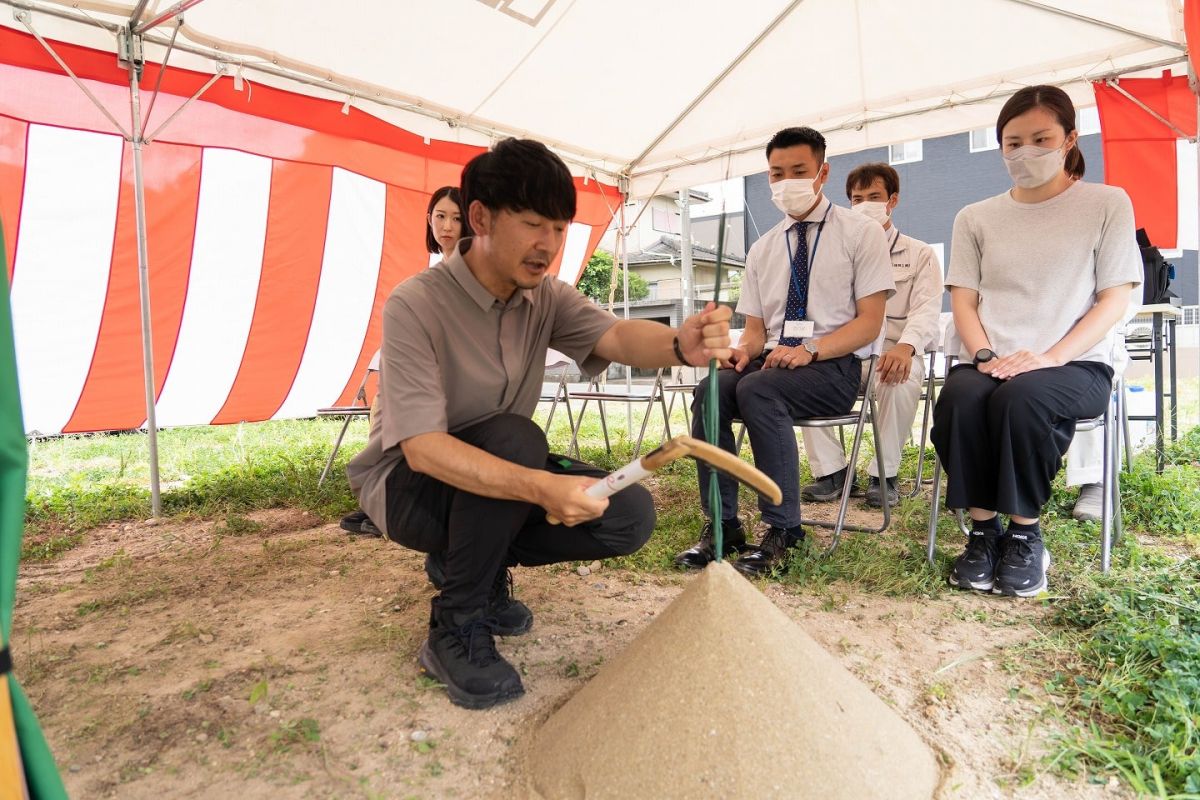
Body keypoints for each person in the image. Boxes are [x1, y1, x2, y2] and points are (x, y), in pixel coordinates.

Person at [347, 138, 732, 709]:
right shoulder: (416, 304)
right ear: (480, 218)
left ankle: (471, 562)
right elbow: (424, 449)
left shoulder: (545, 297)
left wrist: (681, 342)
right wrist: (540, 486)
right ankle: (455, 624)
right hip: (409, 487)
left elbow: (618, 335)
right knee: (515, 437)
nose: (548, 245)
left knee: (625, 516)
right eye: (532, 224)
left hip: (494, 479)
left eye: (558, 228)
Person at [931, 85, 1141, 597]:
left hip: (1075, 363)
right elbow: (964, 301)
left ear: (1069, 139)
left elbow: (1113, 300)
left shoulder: (1107, 203)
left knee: (1023, 399)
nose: (1025, 152)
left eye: (1040, 139)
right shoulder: (974, 217)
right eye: (1013, 142)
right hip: (990, 361)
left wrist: (1049, 357)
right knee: (960, 398)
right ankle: (983, 533)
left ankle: (1026, 535)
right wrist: (983, 355)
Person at [673, 126, 893, 577]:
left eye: (799, 171)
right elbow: (755, 332)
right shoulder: (764, 247)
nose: (785, 181)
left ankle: (785, 530)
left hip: (832, 365)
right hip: (771, 360)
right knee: (712, 389)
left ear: (822, 172)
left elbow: (870, 322)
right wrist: (739, 352)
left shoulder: (860, 234)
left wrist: (811, 349)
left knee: (758, 390)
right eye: (776, 173)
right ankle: (723, 524)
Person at [801, 163, 942, 507]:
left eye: (874, 197)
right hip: (845, 356)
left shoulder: (919, 254)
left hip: (895, 353)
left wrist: (907, 348)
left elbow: (926, 309)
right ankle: (831, 472)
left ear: (892, 200)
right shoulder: (837, 254)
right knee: (801, 376)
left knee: (900, 378)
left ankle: (884, 474)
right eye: (856, 198)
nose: (864, 204)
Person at [340, 186, 471, 537]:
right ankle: (380, 504)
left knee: (404, 426)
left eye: (456, 218)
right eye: (440, 216)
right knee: (384, 415)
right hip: (416, 369)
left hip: (450, 374)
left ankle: (389, 508)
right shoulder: (434, 272)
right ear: (429, 220)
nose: (447, 225)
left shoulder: (469, 267)